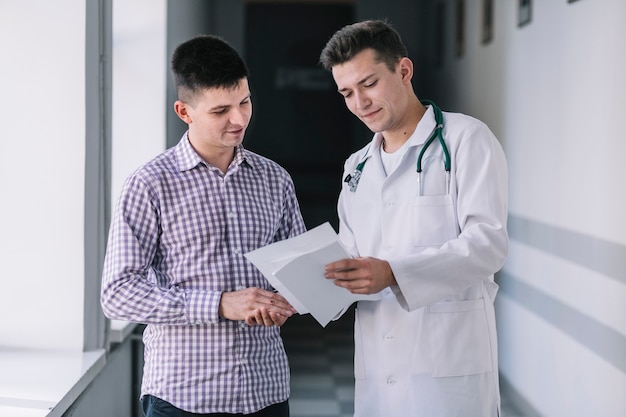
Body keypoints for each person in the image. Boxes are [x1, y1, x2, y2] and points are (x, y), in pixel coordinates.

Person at [101, 34, 306, 417]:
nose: (239, 119)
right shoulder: (149, 184)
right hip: (183, 397)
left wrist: (291, 299)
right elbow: (118, 293)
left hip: (266, 391)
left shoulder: (275, 179)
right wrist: (219, 304)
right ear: (185, 111)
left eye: (245, 102)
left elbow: (297, 274)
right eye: (220, 110)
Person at [320, 20, 508, 417]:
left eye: (368, 84)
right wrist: (300, 293)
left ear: (403, 71)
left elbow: (488, 245)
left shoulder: (465, 139)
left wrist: (392, 273)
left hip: (449, 369)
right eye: (347, 93)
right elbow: (351, 259)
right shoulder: (357, 167)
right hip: (378, 366)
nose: (359, 103)